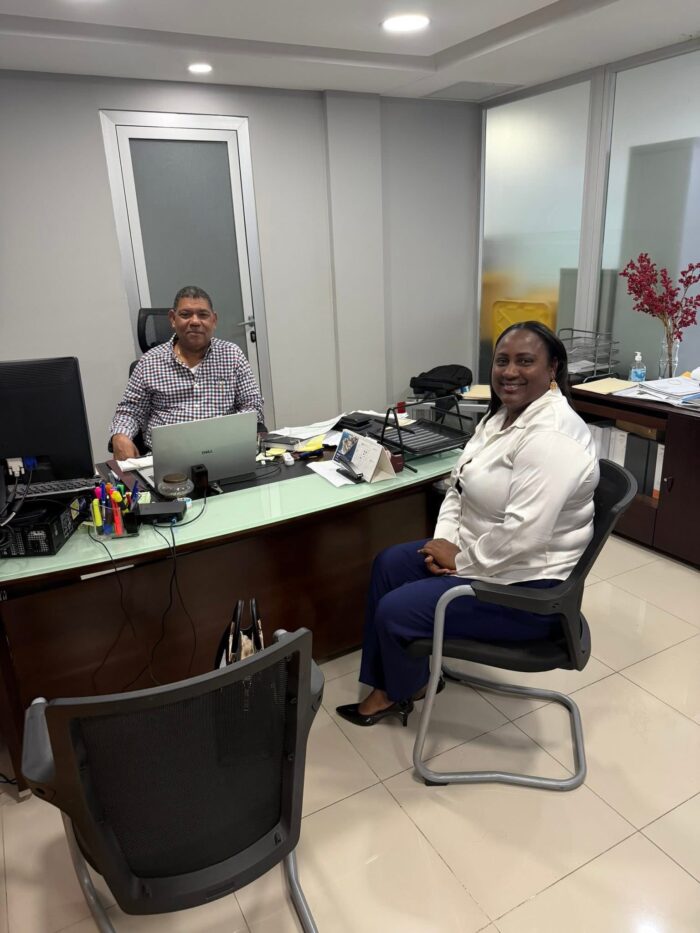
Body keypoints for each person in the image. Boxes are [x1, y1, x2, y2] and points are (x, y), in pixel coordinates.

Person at [336, 321, 599, 727]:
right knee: (388, 564)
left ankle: (395, 690)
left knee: (394, 611)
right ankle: (406, 682)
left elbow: (524, 536)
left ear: (552, 369)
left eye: (525, 361)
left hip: (528, 591)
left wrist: (460, 561)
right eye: (502, 361)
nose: (509, 372)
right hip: (484, 558)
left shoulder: (552, 436)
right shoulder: (500, 418)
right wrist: (444, 544)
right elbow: (458, 487)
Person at [109, 286, 264, 460]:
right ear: (172, 319)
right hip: (168, 458)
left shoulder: (232, 355)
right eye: (185, 314)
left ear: (214, 320)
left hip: (224, 451)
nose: (195, 321)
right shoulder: (149, 362)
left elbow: (252, 404)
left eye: (203, 315)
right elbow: (130, 410)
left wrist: (233, 435)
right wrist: (120, 436)